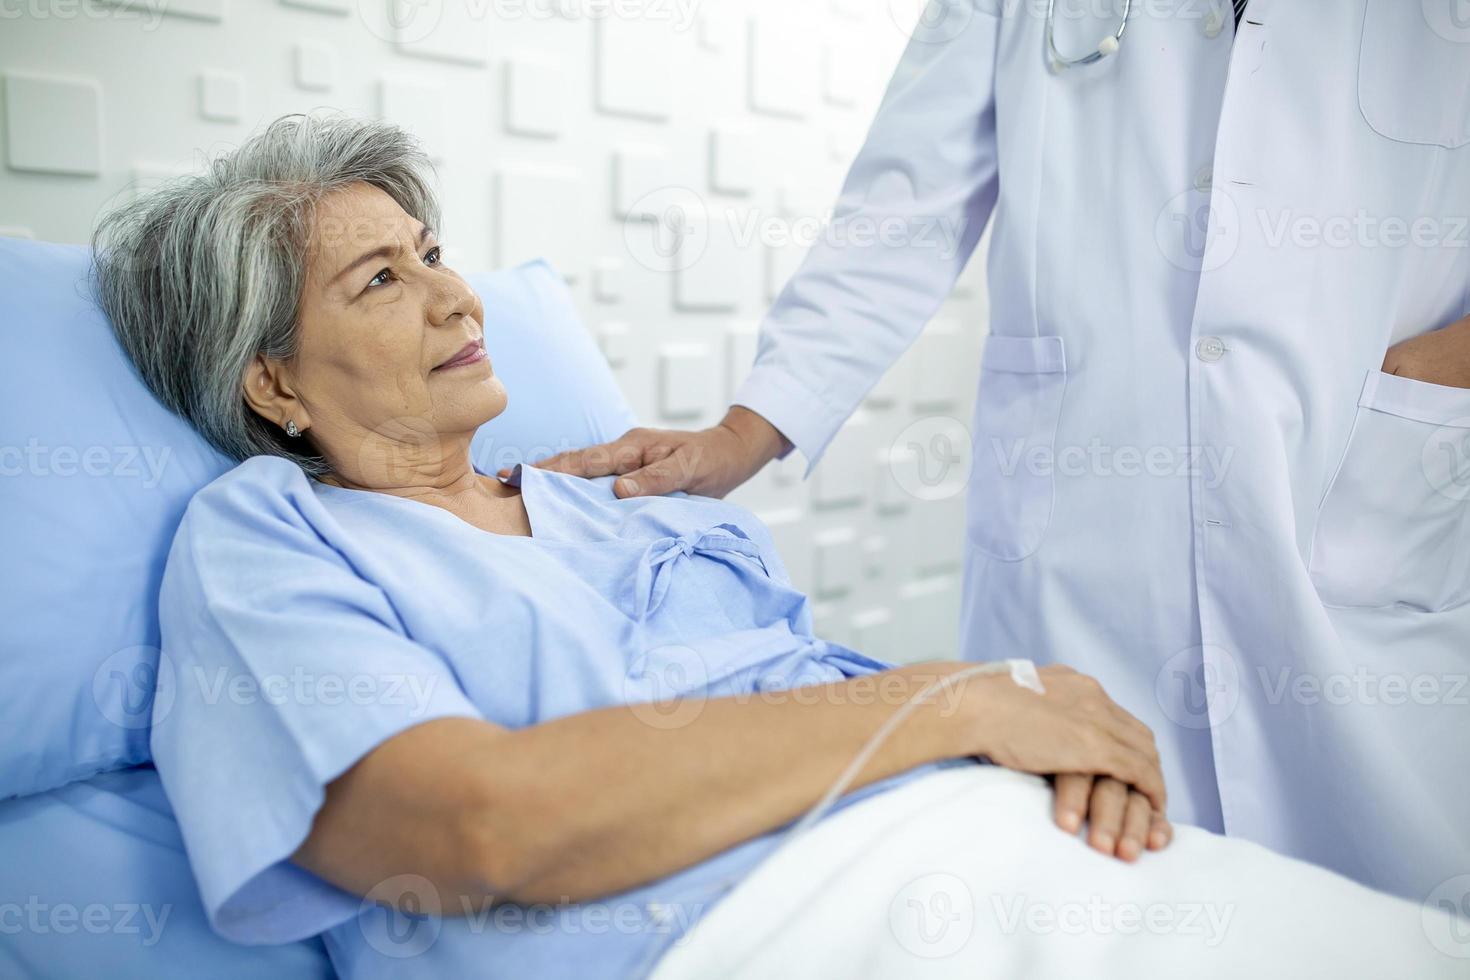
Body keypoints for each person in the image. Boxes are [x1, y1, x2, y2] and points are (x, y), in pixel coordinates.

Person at [88, 114, 1459, 979]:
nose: (456, 292)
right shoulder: (270, 535)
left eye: (434, 251)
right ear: (271, 383)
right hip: (752, 927)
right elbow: (472, 827)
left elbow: (815, 697)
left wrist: (1019, 734)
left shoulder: (600, 502)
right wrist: (951, 697)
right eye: (381, 279)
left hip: (1002, 852)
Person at [531, 0, 1470, 904]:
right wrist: (747, 432)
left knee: (1383, 914)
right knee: (1090, 897)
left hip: (1365, 515)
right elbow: (902, 210)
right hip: (1084, 559)